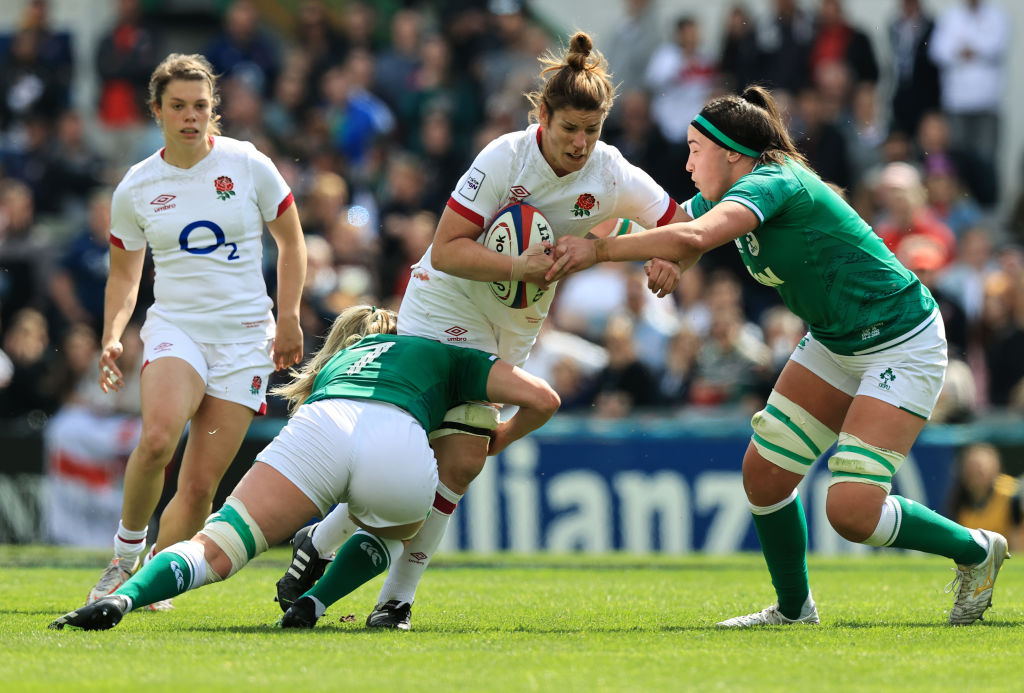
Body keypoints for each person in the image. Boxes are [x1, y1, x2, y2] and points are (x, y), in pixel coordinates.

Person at [547, 85, 1009, 627]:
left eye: (696, 149)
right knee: (764, 476)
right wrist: (567, 224)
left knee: (851, 511)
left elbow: (691, 233)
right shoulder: (736, 189)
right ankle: (794, 612)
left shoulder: (773, 181)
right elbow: (668, 230)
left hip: (902, 341)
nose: (688, 162)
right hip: (837, 342)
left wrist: (606, 250)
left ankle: (977, 549)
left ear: (732, 153)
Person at [274, 31, 688, 630]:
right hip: (442, 305)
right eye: (569, 127)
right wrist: (518, 266)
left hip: (509, 329)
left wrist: (667, 256)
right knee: (433, 460)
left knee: (456, 465)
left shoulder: (611, 172)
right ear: (542, 115)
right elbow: (445, 251)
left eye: (592, 131)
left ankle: (324, 540)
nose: (580, 143)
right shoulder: (503, 158)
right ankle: (396, 599)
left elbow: (683, 227)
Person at [48, 306, 560, 630]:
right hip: (396, 442)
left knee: (218, 546)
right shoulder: (444, 350)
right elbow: (544, 398)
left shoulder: (341, 359)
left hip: (321, 425)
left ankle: (125, 598)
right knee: (397, 526)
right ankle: (314, 603)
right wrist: (496, 440)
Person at [84, 53, 306, 611]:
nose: (190, 116)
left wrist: (288, 317)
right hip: (176, 328)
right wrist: (112, 334)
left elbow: (293, 242)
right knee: (159, 439)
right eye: (178, 106)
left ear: (215, 111)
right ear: (156, 110)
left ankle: (154, 584)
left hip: (245, 340)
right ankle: (122, 560)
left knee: (201, 484)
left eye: (201, 106)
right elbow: (125, 274)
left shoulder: (248, 163)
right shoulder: (137, 187)